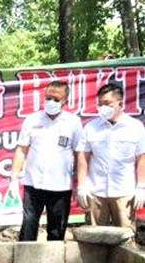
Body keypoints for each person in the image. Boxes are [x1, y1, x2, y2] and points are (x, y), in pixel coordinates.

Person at [8, 80, 82, 241]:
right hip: (33, 183)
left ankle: (54, 257)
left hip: (61, 185)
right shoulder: (32, 120)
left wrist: (79, 183)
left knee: (56, 230)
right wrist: (13, 179)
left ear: (65, 101)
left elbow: (79, 154)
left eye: (56, 99)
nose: (51, 102)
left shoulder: (73, 122)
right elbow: (21, 150)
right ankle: (25, 256)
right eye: (48, 98)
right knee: (28, 225)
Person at [76, 83, 145, 228]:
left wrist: (141, 187)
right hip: (96, 192)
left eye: (107, 103)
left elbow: (141, 158)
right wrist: (82, 186)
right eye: (100, 104)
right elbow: (83, 158)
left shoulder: (135, 127)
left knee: (125, 236)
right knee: (95, 237)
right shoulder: (91, 127)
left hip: (124, 192)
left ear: (120, 103)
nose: (103, 108)